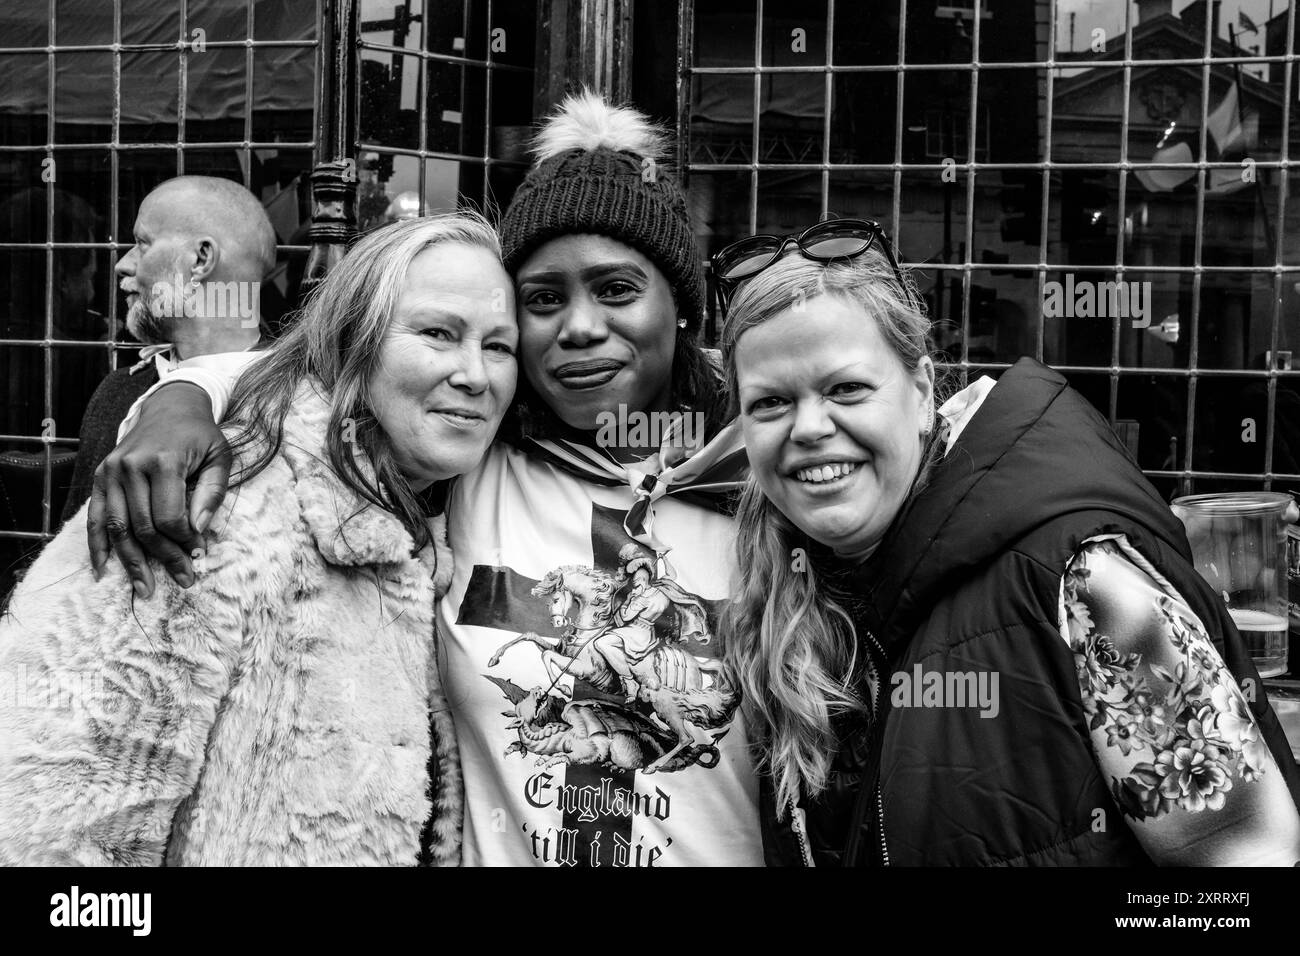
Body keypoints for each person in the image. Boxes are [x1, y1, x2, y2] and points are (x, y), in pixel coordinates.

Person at [80, 92, 764, 867]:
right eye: (542, 300)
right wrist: (182, 397)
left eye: (616, 290)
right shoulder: (466, 458)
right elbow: (321, 370)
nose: (577, 327)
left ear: (680, 307)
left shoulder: (762, 478)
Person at [716, 221, 1300, 865]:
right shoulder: (783, 595)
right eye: (770, 403)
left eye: (846, 388)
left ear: (919, 392)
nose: (809, 427)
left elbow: (1243, 859)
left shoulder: (1080, 579)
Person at [0, 213, 517, 865]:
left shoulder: (430, 524)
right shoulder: (211, 505)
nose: (475, 373)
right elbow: (42, 824)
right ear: (355, 341)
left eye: (499, 346)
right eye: (438, 333)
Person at [61, 175, 279, 522]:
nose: (123, 264)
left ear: (201, 258)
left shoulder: (299, 397)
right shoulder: (116, 391)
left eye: (142, 243)